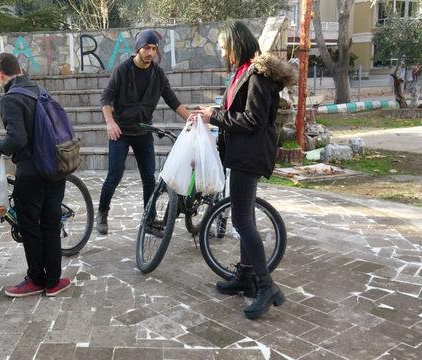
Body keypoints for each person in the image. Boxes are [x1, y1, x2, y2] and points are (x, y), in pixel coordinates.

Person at [192, 20, 296, 319]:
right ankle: (247, 277)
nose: (224, 54)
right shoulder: (244, 72)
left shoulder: (258, 76)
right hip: (241, 154)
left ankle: (267, 286)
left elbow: (253, 121)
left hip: (249, 157)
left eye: (225, 48)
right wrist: (213, 113)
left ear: (237, 44)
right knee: (244, 217)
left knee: (242, 220)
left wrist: (216, 118)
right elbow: (239, 112)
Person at [0, 52, 71, 298]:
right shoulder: (39, 89)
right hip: (57, 166)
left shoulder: (11, 99)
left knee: (30, 227)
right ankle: (53, 281)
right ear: (21, 71)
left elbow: (17, 140)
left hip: (32, 171)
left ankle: (36, 279)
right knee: (50, 224)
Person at [97, 29, 190, 235]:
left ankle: (148, 219)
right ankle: (103, 212)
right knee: (115, 174)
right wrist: (110, 123)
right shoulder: (122, 70)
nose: (150, 52)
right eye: (146, 48)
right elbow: (105, 99)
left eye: (154, 48)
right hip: (120, 131)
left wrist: (191, 118)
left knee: (149, 177)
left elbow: (172, 100)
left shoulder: (158, 73)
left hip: (143, 131)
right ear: (138, 48)